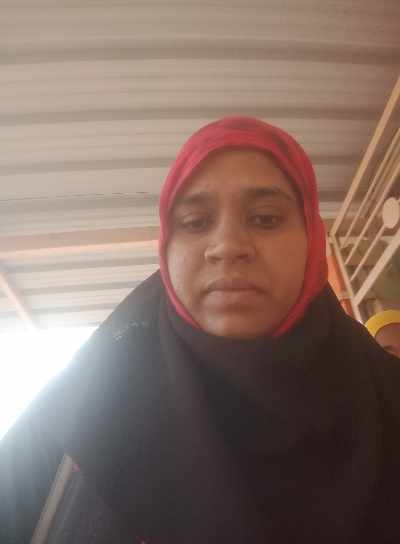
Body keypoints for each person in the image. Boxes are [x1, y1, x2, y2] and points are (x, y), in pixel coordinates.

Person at [2, 116, 400, 544]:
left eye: (265, 218)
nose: (227, 246)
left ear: (312, 239)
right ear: (166, 249)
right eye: (195, 222)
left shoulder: (387, 399)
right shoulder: (75, 420)